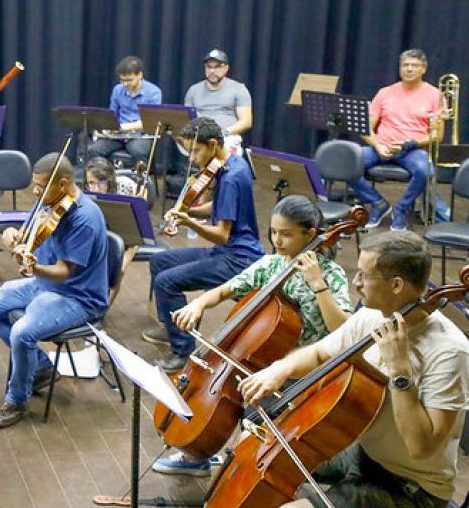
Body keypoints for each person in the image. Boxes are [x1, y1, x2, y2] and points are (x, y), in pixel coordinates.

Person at [164, 231, 469, 508]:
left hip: (411, 487)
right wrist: (277, 371)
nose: (355, 283)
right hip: (367, 451)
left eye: (364, 275)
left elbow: (421, 447)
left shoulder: (449, 352)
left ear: (397, 284)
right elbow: (322, 351)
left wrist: (400, 373)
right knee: (260, 439)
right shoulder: (375, 316)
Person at [152, 195, 354, 477]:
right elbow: (225, 290)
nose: (278, 241)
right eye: (273, 232)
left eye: (286, 234)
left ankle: (238, 463)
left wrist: (318, 285)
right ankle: (198, 455)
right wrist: (197, 304)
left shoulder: (331, 275)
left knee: (249, 412)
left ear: (310, 234)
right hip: (262, 360)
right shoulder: (271, 264)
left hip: (304, 370)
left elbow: (342, 330)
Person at [0, 153, 110, 429]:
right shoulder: (48, 202)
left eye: (41, 185)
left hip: (78, 297)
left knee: (22, 332)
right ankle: (40, 366)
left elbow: (64, 272)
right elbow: (28, 234)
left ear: (62, 184)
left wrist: (33, 268)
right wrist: (13, 234)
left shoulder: (84, 218)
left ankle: (17, 400)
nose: (35, 191)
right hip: (44, 286)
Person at [142, 116, 264, 372]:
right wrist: (191, 212)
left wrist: (188, 222)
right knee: (159, 261)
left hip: (238, 258)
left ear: (212, 144)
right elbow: (217, 207)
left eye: (195, 151)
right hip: (227, 250)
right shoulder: (230, 162)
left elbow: (221, 234)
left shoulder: (231, 177)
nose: (192, 158)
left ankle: (183, 350)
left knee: (166, 281)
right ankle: (174, 326)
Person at [347, 48, 452, 230]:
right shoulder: (385, 92)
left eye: (414, 65)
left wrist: (409, 143)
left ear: (424, 69)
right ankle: (378, 204)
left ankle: (401, 209)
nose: (409, 69)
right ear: (400, 68)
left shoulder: (435, 95)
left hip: (412, 150)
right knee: (346, 164)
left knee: (425, 171)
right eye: (405, 65)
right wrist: (378, 146)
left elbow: (438, 135)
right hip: (382, 147)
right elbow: (366, 129)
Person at [85, 56, 163, 165]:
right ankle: (103, 180)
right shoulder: (118, 90)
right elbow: (111, 114)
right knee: (95, 150)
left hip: (140, 135)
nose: (125, 84)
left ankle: (139, 181)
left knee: (138, 151)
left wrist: (122, 127)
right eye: (122, 80)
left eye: (129, 80)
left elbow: (151, 122)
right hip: (118, 135)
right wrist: (107, 127)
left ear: (140, 75)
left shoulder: (154, 92)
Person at [183, 49, 253, 155]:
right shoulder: (193, 90)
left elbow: (246, 122)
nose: (212, 71)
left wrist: (222, 133)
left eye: (217, 67)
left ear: (226, 68)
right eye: (209, 67)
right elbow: (186, 120)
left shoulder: (239, 89)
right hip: (199, 139)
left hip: (227, 138)